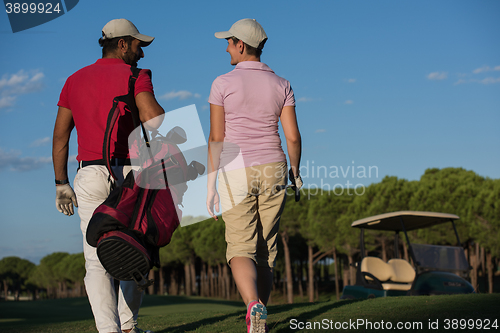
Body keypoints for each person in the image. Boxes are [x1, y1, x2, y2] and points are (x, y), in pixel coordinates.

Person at [52, 18, 164, 333]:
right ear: (123, 43)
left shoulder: (74, 80)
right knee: (137, 248)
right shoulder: (137, 75)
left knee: (95, 260)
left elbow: (61, 136)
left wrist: (61, 184)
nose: (142, 54)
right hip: (128, 174)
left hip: (88, 174)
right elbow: (154, 120)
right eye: (139, 46)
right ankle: (128, 326)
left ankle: (109, 331)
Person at [206, 18, 302, 333]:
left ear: (242, 45)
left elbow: (216, 138)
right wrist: (295, 172)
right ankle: (261, 310)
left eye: (229, 42)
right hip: (274, 167)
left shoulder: (222, 83)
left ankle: (253, 305)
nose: (226, 47)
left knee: (239, 247)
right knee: (267, 249)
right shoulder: (282, 84)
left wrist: (211, 186)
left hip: (236, 169)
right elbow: (293, 138)